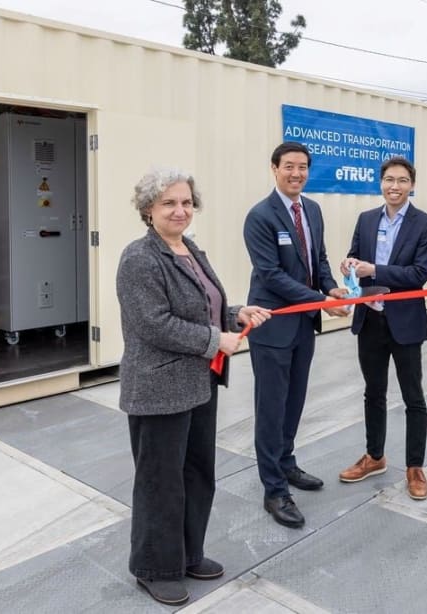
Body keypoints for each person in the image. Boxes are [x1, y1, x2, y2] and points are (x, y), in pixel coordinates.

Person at [116, 168, 271, 605]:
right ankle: (154, 566)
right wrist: (214, 340)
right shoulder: (139, 258)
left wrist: (234, 314)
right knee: (159, 481)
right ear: (148, 209)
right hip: (159, 386)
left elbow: (205, 304)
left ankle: (187, 554)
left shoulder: (190, 250)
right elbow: (154, 323)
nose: (180, 210)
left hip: (199, 382)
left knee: (197, 473)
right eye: (169, 203)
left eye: (186, 202)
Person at [243, 141, 350, 529]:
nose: (296, 174)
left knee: (294, 402)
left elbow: (317, 259)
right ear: (274, 169)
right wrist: (321, 300)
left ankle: (286, 464)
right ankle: (274, 489)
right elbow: (272, 276)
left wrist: (331, 287)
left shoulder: (312, 210)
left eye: (303, 167)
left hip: (304, 326)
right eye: (289, 166)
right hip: (272, 327)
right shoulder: (260, 216)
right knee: (270, 408)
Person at [338, 156, 427, 500]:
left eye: (401, 180)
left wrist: (374, 271)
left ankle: (415, 467)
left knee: (414, 397)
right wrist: (349, 265)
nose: (394, 186)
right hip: (370, 320)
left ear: (411, 184)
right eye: (388, 180)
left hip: (405, 322)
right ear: (380, 183)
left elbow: (417, 275)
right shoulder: (366, 219)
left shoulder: (426, 224)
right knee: (373, 392)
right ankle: (375, 456)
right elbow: (355, 257)